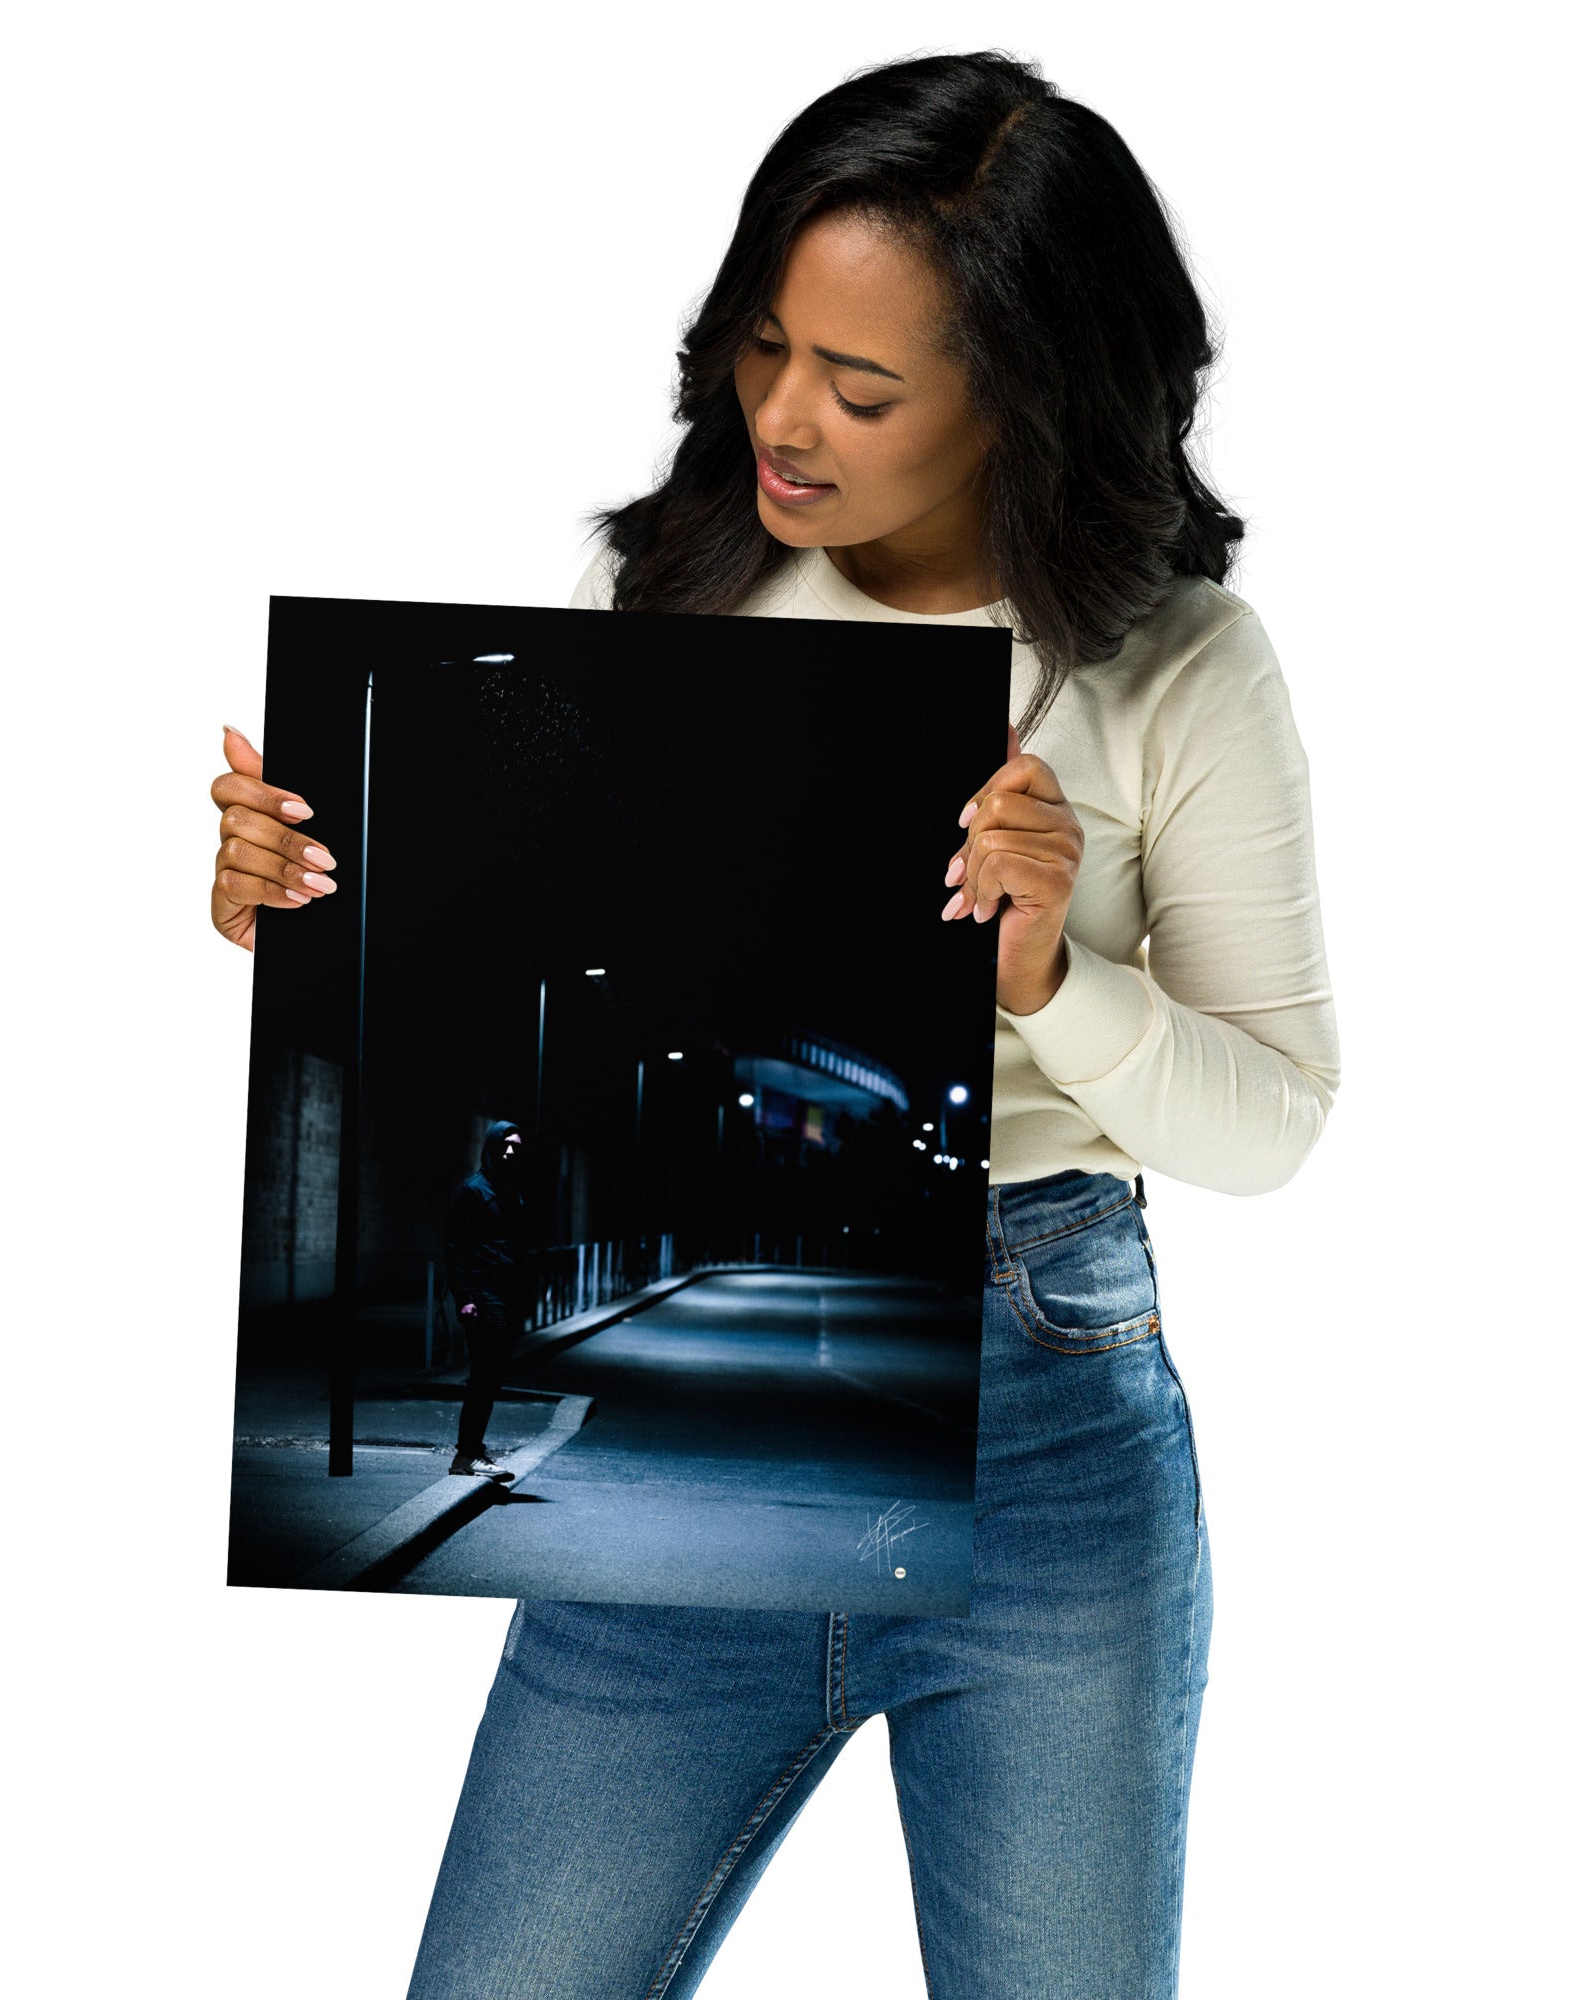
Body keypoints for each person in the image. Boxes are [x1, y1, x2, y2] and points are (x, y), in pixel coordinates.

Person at [209, 50, 1339, 1998]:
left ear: (1025, 398)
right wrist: (307, 915)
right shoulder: (665, 590)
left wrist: (1050, 979)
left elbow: (1273, 1124)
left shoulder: (1173, 667)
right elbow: (512, 1014)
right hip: (677, 1500)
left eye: (863, 384)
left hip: (1049, 1445)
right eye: (761, 348)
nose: (783, 418)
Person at [442, 1119, 531, 1485]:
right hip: (483, 1297)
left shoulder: (511, 1192)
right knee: (483, 1376)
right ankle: (467, 1454)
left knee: (490, 1378)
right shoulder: (472, 1193)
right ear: (492, 1146)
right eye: (505, 1144)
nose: (511, 1151)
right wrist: (464, 1298)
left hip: (506, 1298)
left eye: (516, 1146)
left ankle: (472, 1450)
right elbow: (456, 1249)